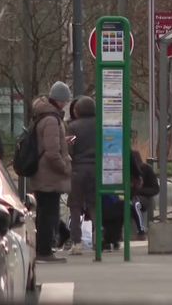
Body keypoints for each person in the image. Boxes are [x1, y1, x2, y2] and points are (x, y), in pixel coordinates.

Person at [28, 81, 72, 263]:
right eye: (65, 100)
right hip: (49, 176)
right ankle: (45, 251)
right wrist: (65, 167)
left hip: (42, 174)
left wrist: (64, 143)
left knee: (46, 213)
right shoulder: (52, 120)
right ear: (60, 100)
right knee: (49, 215)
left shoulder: (43, 116)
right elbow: (52, 153)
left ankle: (43, 249)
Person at [66, 96, 96, 255]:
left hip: (78, 169)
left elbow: (69, 148)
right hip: (96, 169)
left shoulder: (73, 127)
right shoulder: (100, 125)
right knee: (95, 205)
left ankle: (77, 243)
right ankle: (98, 240)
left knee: (75, 206)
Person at [131, 150, 159, 240]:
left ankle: (141, 231)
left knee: (136, 204)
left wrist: (139, 191)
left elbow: (155, 189)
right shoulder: (125, 170)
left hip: (143, 197)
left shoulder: (147, 169)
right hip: (127, 195)